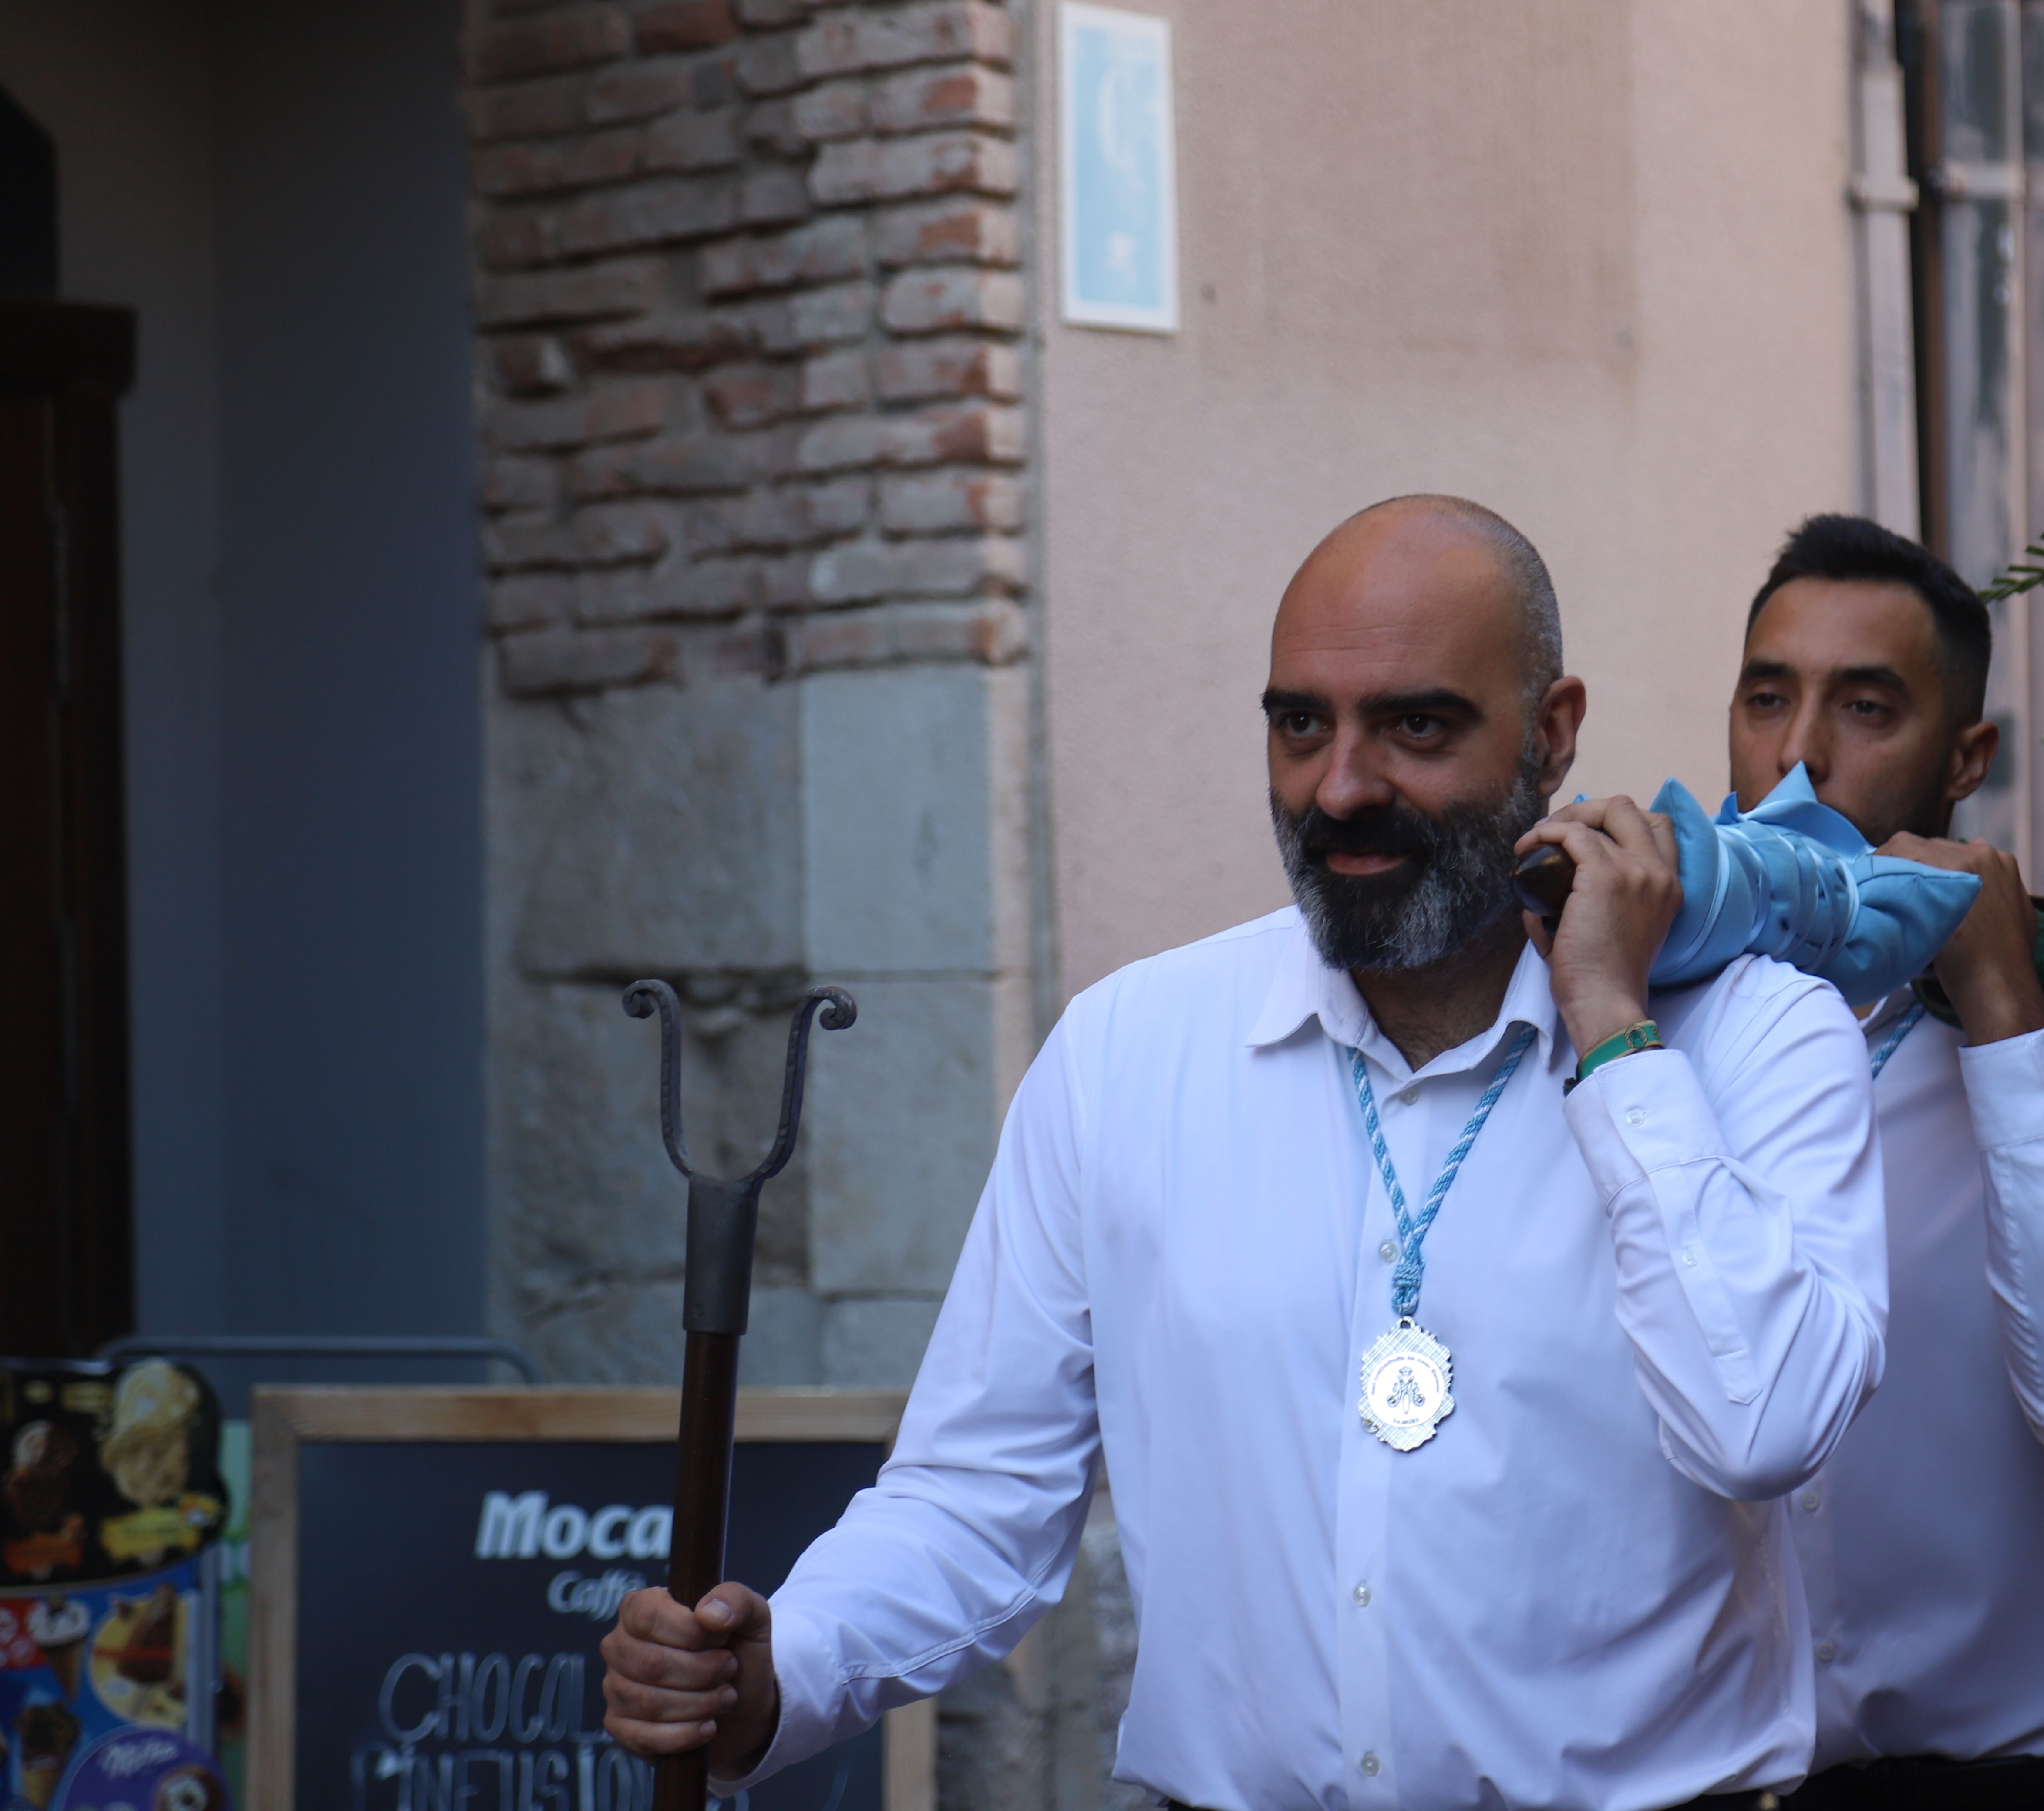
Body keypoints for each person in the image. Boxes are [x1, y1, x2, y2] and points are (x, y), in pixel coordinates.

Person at [598, 495, 1894, 1811]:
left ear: (1554, 733)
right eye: (1299, 725)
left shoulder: (1753, 1042)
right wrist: (783, 1670)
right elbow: (978, 1496)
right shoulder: (1128, 1055)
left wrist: (1615, 1035)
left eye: (1418, 726)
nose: (1341, 786)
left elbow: (1767, 1425)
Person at [1730, 517, 2044, 1811]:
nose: (1799, 756)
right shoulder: (1675, 1034)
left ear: (1969, 758)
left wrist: (2005, 1004)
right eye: (1767, 696)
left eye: (1867, 706)